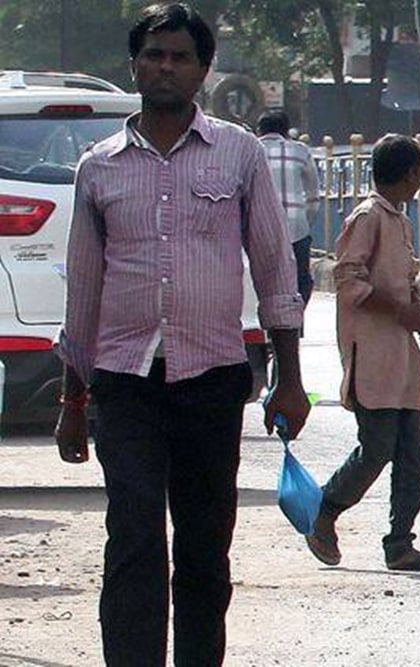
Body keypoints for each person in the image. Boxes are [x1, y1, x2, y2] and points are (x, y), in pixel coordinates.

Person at [53, 4, 310, 665]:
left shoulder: (239, 154)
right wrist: (72, 401)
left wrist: (289, 379)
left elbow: (275, 267)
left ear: (203, 71)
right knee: (133, 538)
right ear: (134, 66)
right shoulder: (99, 167)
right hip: (125, 385)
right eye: (154, 55)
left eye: (180, 57)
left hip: (212, 381)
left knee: (204, 550)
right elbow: (84, 292)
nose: (165, 66)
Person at [304, 134, 420, 572]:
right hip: (371, 354)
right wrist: (402, 312)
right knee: (375, 450)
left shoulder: (399, 222)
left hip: (400, 357)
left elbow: (399, 286)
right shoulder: (368, 217)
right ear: (410, 174)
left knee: (413, 457)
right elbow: (349, 280)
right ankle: (325, 510)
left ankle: (400, 544)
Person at [257, 109, 320, 306]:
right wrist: (304, 222)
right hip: (297, 229)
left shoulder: (250, 149)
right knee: (301, 280)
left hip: (259, 231)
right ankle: (295, 316)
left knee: (260, 280)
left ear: (259, 130)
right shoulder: (301, 150)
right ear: (286, 131)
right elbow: (313, 196)